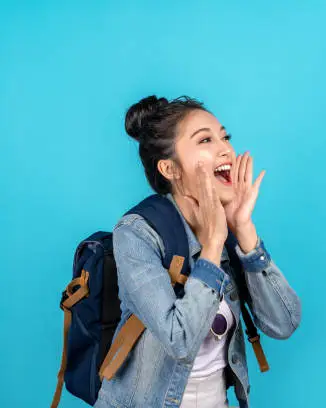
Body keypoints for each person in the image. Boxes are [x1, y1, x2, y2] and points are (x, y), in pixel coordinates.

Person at [94, 95, 301, 408]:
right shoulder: (137, 233)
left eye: (224, 136)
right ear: (169, 168)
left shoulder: (231, 231)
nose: (225, 149)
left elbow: (283, 324)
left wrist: (244, 231)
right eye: (205, 139)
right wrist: (213, 244)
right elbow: (180, 340)